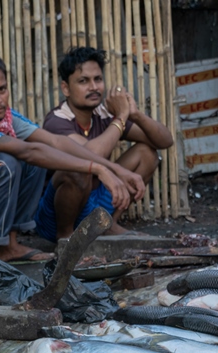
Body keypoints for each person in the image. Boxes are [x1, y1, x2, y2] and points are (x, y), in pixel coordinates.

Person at [0, 49, 145, 262]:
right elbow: (29, 151)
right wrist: (98, 169)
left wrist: (117, 170)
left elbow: (56, 142)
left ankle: (10, 244)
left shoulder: (4, 117)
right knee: (8, 162)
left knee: (33, 158)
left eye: (2, 89)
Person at [35, 46, 174, 242]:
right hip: (56, 217)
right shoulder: (57, 120)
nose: (93, 87)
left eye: (98, 79)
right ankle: (65, 240)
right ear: (65, 88)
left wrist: (135, 114)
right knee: (77, 168)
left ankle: (108, 225)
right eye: (83, 81)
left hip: (97, 201)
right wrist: (122, 116)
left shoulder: (103, 115)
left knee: (147, 153)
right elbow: (89, 154)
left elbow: (165, 140)